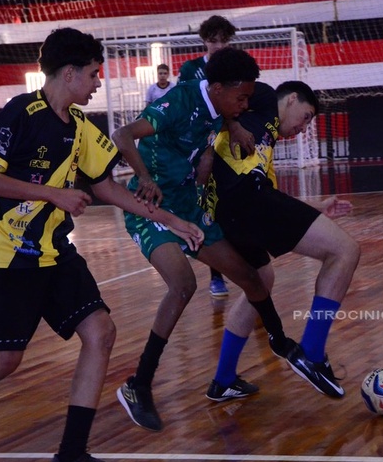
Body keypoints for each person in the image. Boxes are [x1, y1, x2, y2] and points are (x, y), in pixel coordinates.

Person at [0, 27, 205, 462]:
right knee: (3, 362)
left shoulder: (81, 128)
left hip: (55, 254)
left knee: (101, 332)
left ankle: (71, 456)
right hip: (10, 257)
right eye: (94, 74)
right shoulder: (22, 112)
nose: (98, 82)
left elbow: (106, 187)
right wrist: (53, 194)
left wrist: (172, 220)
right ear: (70, 73)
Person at [111, 47, 293, 432]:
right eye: (241, 98)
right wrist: (143, 177)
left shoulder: (220, 107)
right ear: (218, 88)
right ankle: (138, 384)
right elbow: (122, 134)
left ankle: (280, 342)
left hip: (190, 209)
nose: (245, 105)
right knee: (183, 285)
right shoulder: (179, 101)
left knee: (251, 277)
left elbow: (218, 118)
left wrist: (233, 129)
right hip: (151, 207)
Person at [202, 80, 360, 400]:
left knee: (261, 280)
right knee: (345, 250)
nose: (304, 128)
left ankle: (223, 379)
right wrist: (233, 122)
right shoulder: (260, 100)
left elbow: (273, 199)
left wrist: (317, 207)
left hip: (226, 212)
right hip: (242, 199)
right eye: (306, 116)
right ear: (290, 100)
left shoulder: (264, 148)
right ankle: (312, 353)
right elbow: (217, 93)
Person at [178, 15, 240, 298]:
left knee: (228, 206)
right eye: (213, 40)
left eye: (223, 41)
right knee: (206, 208)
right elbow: (181, 105)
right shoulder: (190, 69)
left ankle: (241, 265)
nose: (218, 46)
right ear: (204, 40)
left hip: (225, 144)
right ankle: (215, 274)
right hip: (196, 147)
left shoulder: (236, 68)